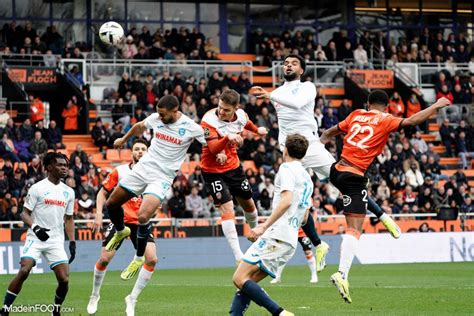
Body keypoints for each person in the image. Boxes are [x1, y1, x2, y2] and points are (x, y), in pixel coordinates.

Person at [251, 54, 401, 272]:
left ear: (301, 69)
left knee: (344, 181)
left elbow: (297, 104)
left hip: (310, 146)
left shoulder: (307, 88)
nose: (288, 66)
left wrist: (269, 95)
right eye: (285, 63)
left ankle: (382, 215)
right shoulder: (277, 92)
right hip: (289, 150)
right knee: (296, 203)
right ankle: (318, 245)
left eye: (293, 63)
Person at [320, 91, 450, 303]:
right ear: (387, 106)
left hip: (336, 170)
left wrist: (321, 143)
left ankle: (384, 217)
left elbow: (329, 132)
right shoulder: (386, 118)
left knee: (359, 193)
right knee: (354, 229)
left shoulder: (355, 114)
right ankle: (342, 274)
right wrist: (436, 105)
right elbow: (412, 120)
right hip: (354, 175)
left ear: (368, 104)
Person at [102, 96, 206, 281]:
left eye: (163, 114)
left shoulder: (191, 127)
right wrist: (124, 138)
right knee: (111, 204)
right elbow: (139, 127)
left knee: (142, 215)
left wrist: (221, 152)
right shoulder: (156, 118)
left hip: (162, 177)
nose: (159, 116)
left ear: (175, 111)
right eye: (158, 113)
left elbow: (210, 143)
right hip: (144, 168)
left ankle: (138, 258)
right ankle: (120, 231)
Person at [230, 134, 312, 316]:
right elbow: (305, 216)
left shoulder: (286, 168)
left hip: (277, 234)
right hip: (289, 240)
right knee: (248, 283)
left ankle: (280, 313)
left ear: (286, 150)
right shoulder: (308, 178)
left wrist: (263, 226)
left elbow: (286, 200)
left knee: (239, 277)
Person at [87, 139, 157, 316]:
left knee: (152, 259)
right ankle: (94, 295)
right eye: (137, 149)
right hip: (121, 220)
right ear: (131, 152)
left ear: (148, 152)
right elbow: (102, 193)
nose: (140, 151)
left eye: (143, 149)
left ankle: (132, 298)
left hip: (140, 222)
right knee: (104, 259)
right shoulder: (120, 171)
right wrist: (98, 214)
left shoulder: (153, 175)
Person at [1, 152, 75, 316]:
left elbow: (69, 219)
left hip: (56, 241)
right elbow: (24, 214)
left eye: (65, 165)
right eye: (60, 165)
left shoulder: (69, 192)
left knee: (64, 280)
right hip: (35, 238)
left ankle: (55, 310)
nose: (64, 168)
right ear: (49, 167)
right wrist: (36, 228)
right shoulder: (37, 188)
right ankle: (5, 310)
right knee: (24, 270)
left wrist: (72, 241)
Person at [200, 89, 267, 261]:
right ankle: (239, 256)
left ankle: (256, 241)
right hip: (212, 171)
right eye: (220, 107)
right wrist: (229, 137)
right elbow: (214, 148)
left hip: (234, 167)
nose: (221, 111)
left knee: (249, 205)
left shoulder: (241, 115)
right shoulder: (208, 120)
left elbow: (246, 123)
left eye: (226, 110)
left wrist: (257, 130)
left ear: (236, 108)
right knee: (227, 208)